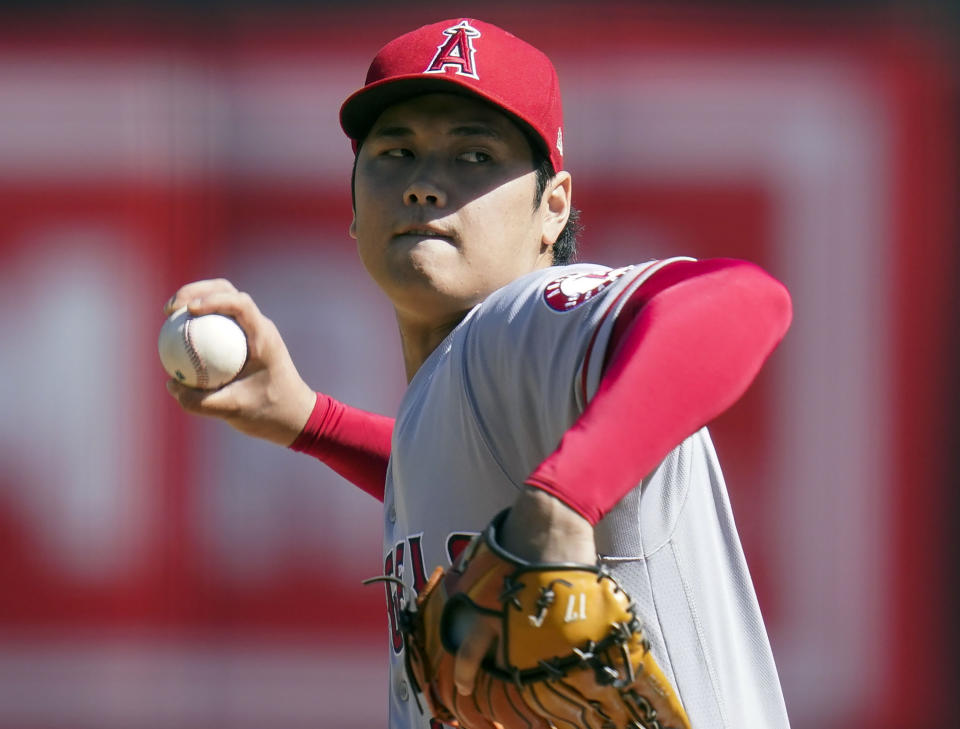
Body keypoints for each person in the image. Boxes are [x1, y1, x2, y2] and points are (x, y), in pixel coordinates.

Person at [165, 18, 793, 729]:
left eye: (473, 156)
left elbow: (742, 300)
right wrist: (314, 422)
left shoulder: (518, 324)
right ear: (351, 206)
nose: (426, 185)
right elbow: (452, 462)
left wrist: (559, 503)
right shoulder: (469, 382)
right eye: (396, 152)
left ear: (552, 208)